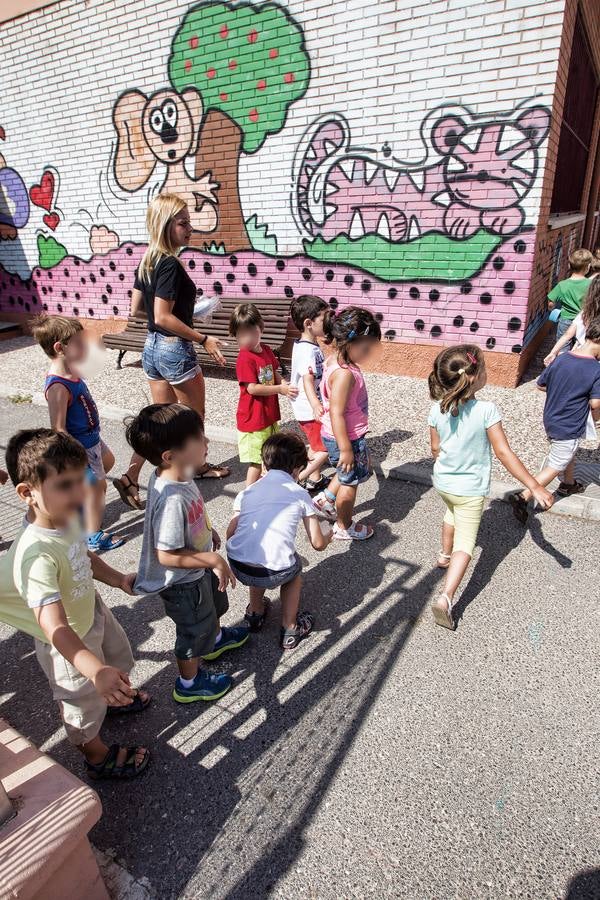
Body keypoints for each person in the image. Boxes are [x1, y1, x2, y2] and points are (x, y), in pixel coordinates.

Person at [0, 429, 151, 780]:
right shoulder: (35, 557)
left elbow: (80, 554)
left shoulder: (62, 517)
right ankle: (96, 754)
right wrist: (93, 671)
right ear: (27, 493)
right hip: (66, 645)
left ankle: (109, 697)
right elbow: (54, 628)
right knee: (80, 703)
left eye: (81, 479)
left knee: (117, 656)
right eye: (65, 484)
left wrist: (116, 579)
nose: (80, 491)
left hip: (89, 609)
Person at [112, 192, 230, 509]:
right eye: (182, 223)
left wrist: (186, 311)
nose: (189, 228)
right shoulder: (170, 265)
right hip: (174, 349)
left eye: (189, 222)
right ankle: (198, 468)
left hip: (151, 347)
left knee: (159, 422)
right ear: (165, 225)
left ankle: (130, 475)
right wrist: (203, 338)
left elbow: (138, 308)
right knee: (193, 419)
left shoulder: (147, 259)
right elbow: (164, 315)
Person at [127, 403, 249, 704]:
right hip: (184, 582)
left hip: (197, 568)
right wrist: (211, 558)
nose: (207, 444)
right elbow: (166, 555)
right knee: (192, 631)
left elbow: (192, 518)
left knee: (212, 608)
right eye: (200, 440)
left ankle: (216, 640)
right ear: (170, 456)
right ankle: (189, 682)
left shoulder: (178, 473)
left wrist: (209, 533)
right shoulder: (170, 499)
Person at [428, 345, 554, 630]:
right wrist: (534, 486)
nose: (486, 373)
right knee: (466, 544)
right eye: (483, 368)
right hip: (469, 489)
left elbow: (435, 448)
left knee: (451, 514)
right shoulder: (486, 410)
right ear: (473, 378)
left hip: (444, 482)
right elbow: (504, 453)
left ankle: (443, 556)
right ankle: (446, 598)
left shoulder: (436, 408)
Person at [226, 431, 332, 649]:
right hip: (276, 571)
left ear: (265, 464)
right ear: (297, 469)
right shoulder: (299, 494)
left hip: (238, 565)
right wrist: (332, 533)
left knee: (256, 551)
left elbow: (231, 533)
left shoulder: (248, 492)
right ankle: (290, 627)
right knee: (293, 572)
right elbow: (318, 543)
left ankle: (255, 613)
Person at [31, 314, 122, 553]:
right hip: (80, 446)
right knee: (97, 487)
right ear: (60, 348)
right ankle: (92, 534)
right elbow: (58, 428)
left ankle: (83, 506)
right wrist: (76, 457)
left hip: (92, 438)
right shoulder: (58, 386)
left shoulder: (71, 371)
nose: (85, 347)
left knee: (108, 463)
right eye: (79, 343)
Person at [512, 319, 600, 512]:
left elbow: (541, 384)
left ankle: (568, 484)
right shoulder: (596, 369)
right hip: (570, 424)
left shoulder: (562, 357)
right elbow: (595, 404)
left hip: (551, 418)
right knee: (556, 463)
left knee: (568, 452)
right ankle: (524, 495)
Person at [312, 307, 381, 541]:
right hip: (345, 437)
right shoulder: (345, 375)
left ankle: (325, 499)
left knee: (344, 474)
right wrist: (346, 449)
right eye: (366, 347)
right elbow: (337, 413)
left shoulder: (335, 359)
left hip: (339, 435)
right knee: (349, 484)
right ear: (351, 342)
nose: (368, 352)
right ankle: (344, 525)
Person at [230, 302, 298, 486]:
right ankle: (248, 496)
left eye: (251, 332)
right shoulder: (244, 358)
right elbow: (252, 388)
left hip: (267, 415)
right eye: (241, 335)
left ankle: (264, 488)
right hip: (253, 418)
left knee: (269, 455)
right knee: (257, 461)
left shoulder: (266, 350)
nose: (247, 339)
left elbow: (273, 371)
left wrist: (283, 383)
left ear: (260, 328)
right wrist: (279, 389)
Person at [289, 295, 330, 492]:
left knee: (315, 444)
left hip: (307, 407)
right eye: (324, 319)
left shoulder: (306, 344)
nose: (328, 322)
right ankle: (297, 479)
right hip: (310, 409)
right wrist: (316, 405)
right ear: (308, 323)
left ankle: (315, 478)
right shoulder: (308, 350)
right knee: (324, 448)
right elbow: (308, 379)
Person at [544, 276, 600, 364]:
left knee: (564, 350)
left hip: (582, 353)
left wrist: (553, 352)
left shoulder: (585, 313)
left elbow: (567, 335)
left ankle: (563, 363)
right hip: (594, 359)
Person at [547, 248, 592, 353]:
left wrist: (552, 308)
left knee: (563, 346)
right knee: (581, 345)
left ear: (569, 266)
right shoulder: (591, 284)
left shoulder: (562, 285)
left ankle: (563, 363)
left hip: (565, 320)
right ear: (588, 267)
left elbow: (550, 303)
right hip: (583, 321)